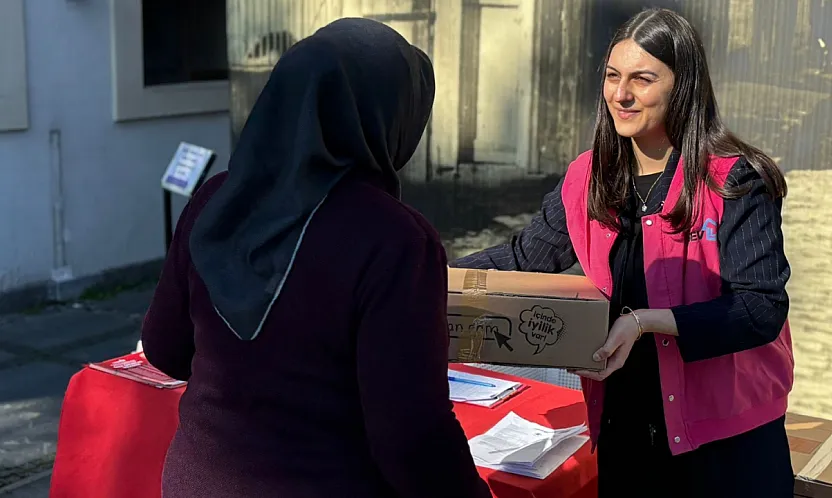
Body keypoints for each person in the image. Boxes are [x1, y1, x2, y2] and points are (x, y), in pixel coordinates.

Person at [141, 18, 491, 498]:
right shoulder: (394, 240)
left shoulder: (216, 199)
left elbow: (164, 349)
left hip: (195, 480)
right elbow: (410, 436)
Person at [452, 8, 794, 497]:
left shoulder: (734, 180)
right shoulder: (589, 178)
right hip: (624, 428)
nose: (621, 94)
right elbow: (522, 257)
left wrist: (644, 321)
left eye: (642, 79)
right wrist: (424, 271)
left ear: (683, 87)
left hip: (726, 444)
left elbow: (761, 308)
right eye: (613, 76)